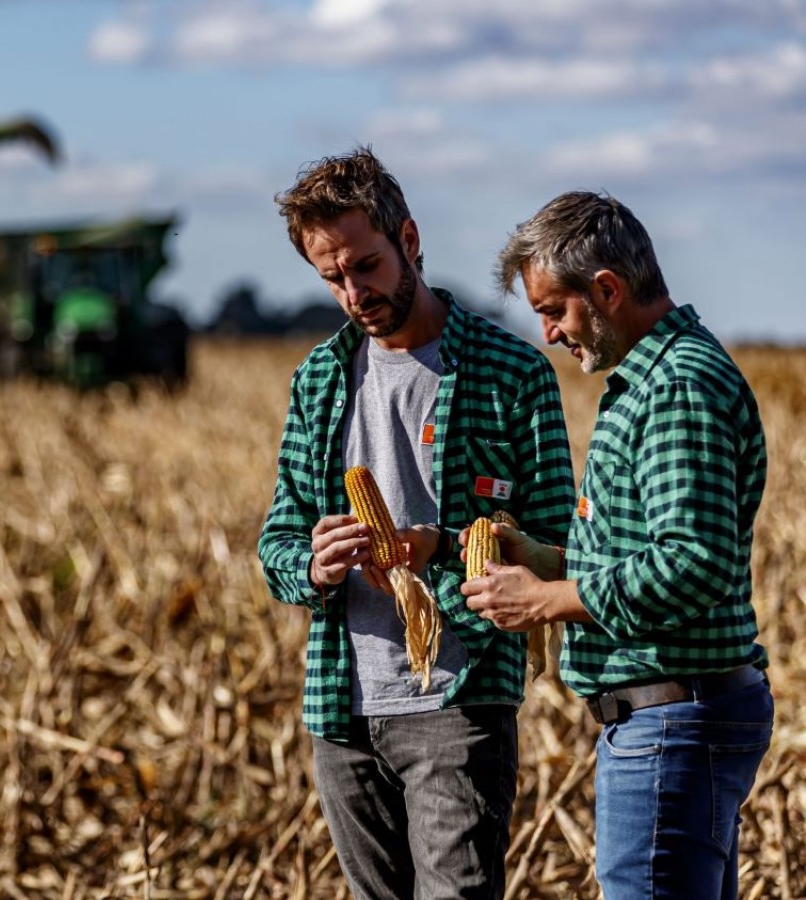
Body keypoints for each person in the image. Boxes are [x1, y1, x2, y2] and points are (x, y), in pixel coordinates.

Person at [257, 148, 575, 900]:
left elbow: (560, 546)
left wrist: (444, 547)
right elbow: (276, 544)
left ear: (408, 239)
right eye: (332, 277)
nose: (352, 293)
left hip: (460, 702)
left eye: (365, 266)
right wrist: (314, 565)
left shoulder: (513, 373)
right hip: (342, 705)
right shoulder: (319, 379)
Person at [463, 191, 772, 900]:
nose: (547, 334)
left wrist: (547, 602)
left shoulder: (675, 387)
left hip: (671, 721)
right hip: (676, 719)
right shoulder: (651, 380)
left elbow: (692, 564)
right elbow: (653, 552)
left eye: (554, 310)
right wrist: (547, 563)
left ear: (606, 290)